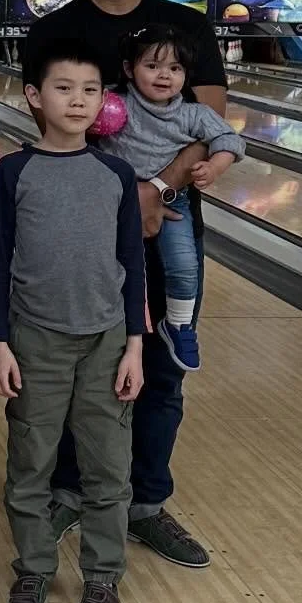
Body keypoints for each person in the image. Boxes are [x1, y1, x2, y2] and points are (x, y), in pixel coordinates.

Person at [23, 0, 225, 570]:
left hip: (166, 218)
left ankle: (145, 503)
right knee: (83, 359)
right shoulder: (52, 32)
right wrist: (113, 195)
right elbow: (48, 135)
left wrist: (153, 187)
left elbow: (210, 122)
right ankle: (73, 491)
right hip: (79, 226)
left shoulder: (184, 26)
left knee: (162, 368)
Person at [0, 39, 145, 603]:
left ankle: (102, 579)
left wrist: (135, 344)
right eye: (63, 88)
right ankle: (33, 568)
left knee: (108, 469)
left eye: (90, 90)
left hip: (106, 341)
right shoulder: (14, 171)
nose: (78, 100)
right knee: (30, 461)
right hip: (35, 340)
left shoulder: (117, 173)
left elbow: (133, 262)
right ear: (34, 96)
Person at [96, 24, 244, 374]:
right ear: (130, 70)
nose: (165, 75)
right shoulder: (115, 105)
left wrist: (215, 166)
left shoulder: (193, 114)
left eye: (175, 69)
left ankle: (179, 326)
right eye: (153, 66)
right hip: (114, 201)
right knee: (107, 271)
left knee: (183, 265)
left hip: (173, 203)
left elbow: (230, 140)